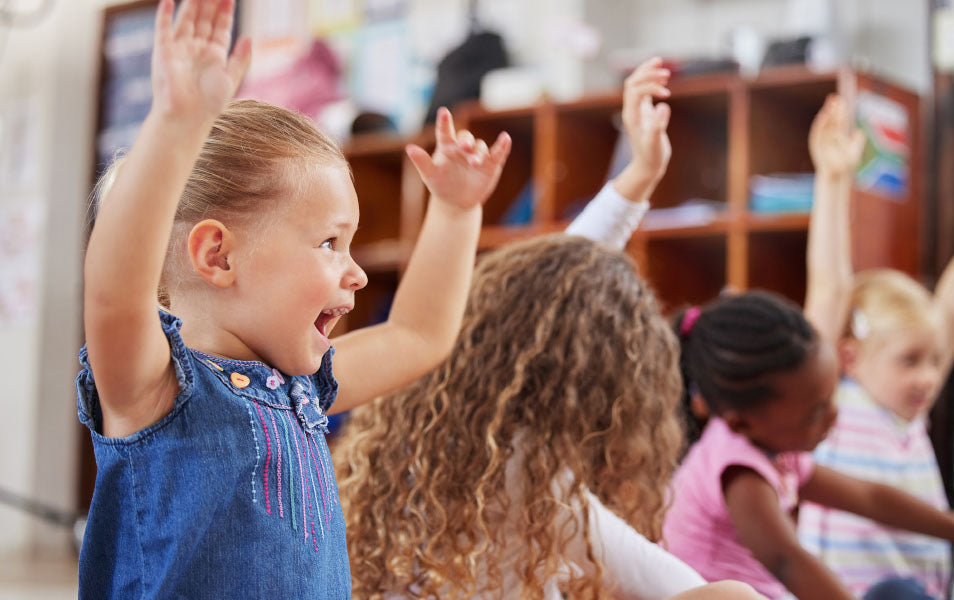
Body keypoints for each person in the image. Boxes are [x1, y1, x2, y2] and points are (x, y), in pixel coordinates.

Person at [76, 0, 510, 597]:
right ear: (218, 257)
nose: (356, 274)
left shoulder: (302, 387)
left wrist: (457, 213)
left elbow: (419, 335)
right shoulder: (155, 389)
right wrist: (176, 125)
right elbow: (112, 292)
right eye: (330, 242)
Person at [334, 58, 760, 600]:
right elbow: (684, 587)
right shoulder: (535, 484)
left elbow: (551, 290)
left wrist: (640, 176)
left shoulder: (426, 423)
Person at [660, 95, 954, 600]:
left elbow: (871, 497)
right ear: (741, 421)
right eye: (818, 410)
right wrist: (835, 179)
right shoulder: (737, 468)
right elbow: (788, 561)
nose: (832, 418)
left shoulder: (782, 448)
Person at [797, 95, 954, 599]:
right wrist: (834, 178)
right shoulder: (833, 406)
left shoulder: (909, 416)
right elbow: (828, 287)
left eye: (933, 361)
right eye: (910, 361)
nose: (930, 377)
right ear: (848, 357)